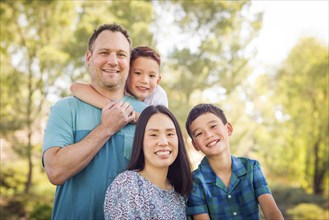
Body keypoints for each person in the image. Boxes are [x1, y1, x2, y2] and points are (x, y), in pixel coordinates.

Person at [42, 24, 147, 219]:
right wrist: (106, 128)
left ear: (130, 62)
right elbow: (55, 171)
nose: (113, 61)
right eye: (105, 52)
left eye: (121, 54)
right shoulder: (65, 109)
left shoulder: (147, 113)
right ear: (89, 58)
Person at [185, 104, 284, 220]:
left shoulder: (251, 168)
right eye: (199, 133)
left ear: (228, 129)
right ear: (195, 145)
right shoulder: (195, 182)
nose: (208, 135)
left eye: (213, 126)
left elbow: (272, 212)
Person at [103, 105, 192, 220]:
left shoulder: (181, 193)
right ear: (140, 142)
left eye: (170, 134)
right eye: (153, 135)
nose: (163, 142)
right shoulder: (127, 185)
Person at [70, 46, 168, 117]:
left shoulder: (158, 95)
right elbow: (75, 88)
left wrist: (133, 116)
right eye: (138, 73)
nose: (145, 81)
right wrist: (115, 108)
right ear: (127, 73)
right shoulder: (117, 86)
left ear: (158, 80)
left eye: (151, 76)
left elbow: (159, 121)